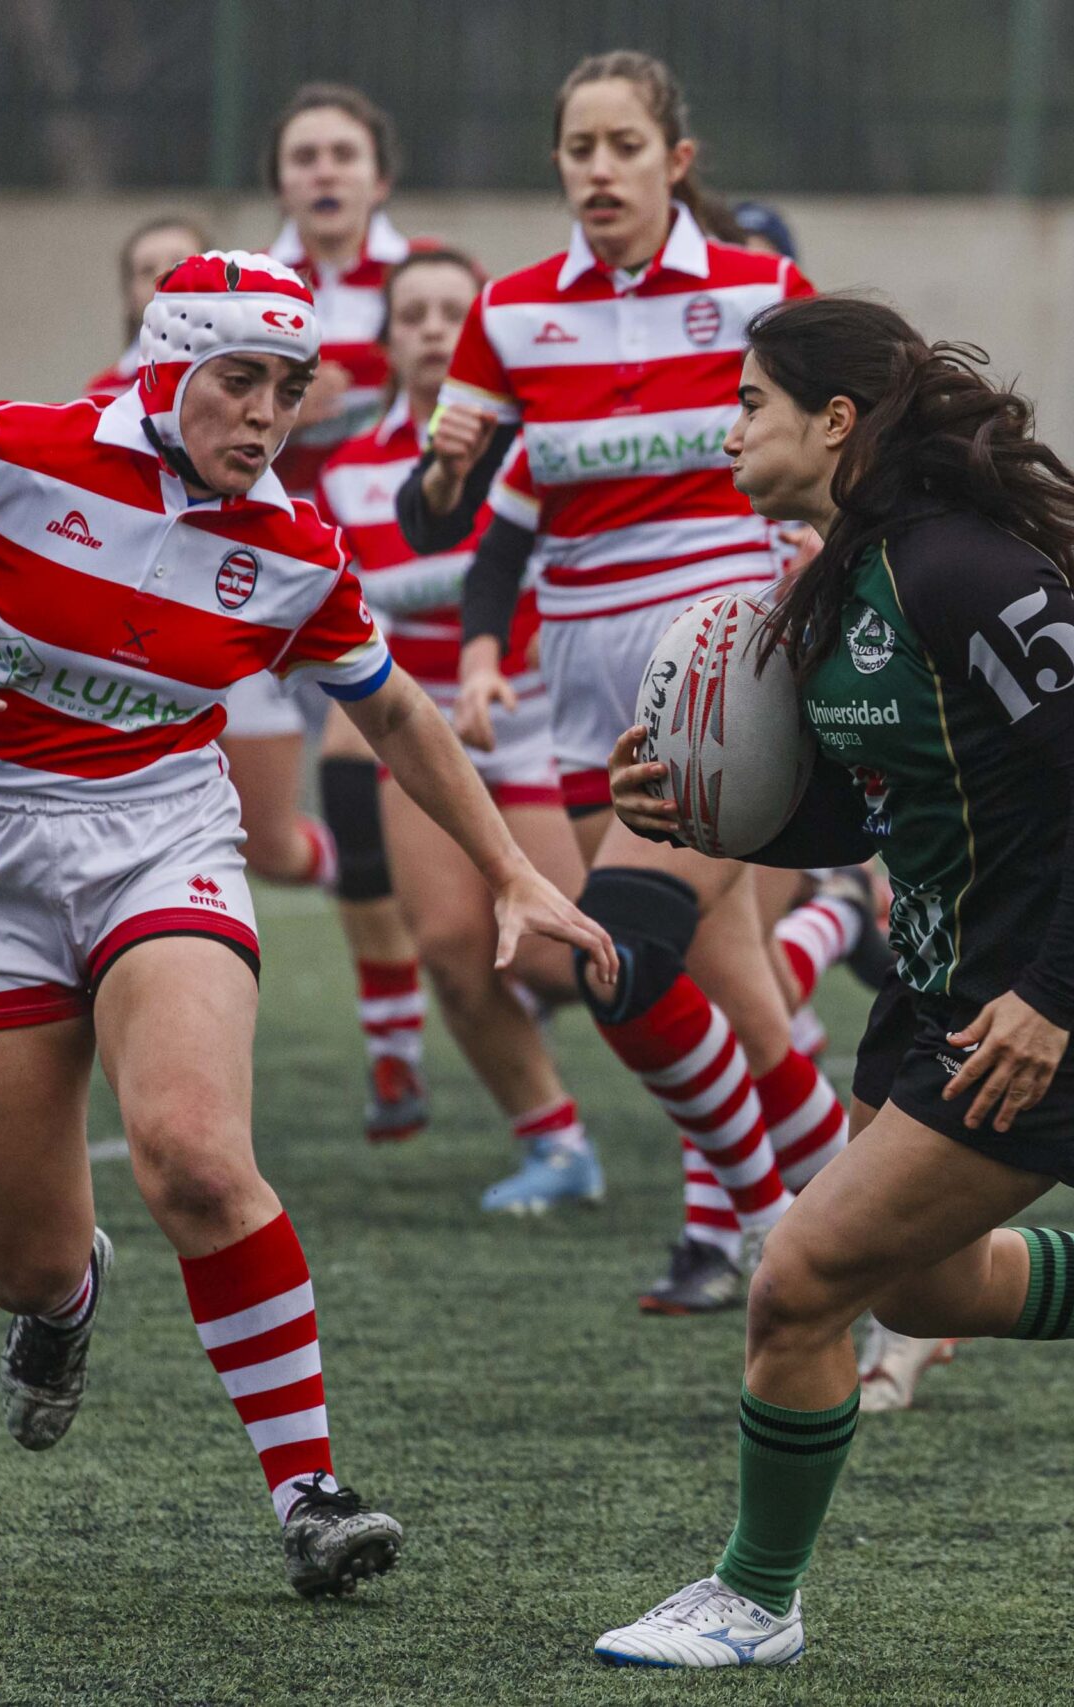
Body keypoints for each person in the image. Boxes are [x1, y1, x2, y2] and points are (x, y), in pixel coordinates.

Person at [0, 251, 612, 1596]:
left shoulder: (294, 551)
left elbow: (392, 711)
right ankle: (64, 1301)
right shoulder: (13, 447)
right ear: (166, 368)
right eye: (240, 380)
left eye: (290, 387)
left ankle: (311, 1491)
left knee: (197, 1157)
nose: (267, 413)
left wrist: (510, 866)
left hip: (161, 840)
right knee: (21, 1252)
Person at [590, 294, 1074, 1668]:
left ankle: (756, 1597)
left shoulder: (956, 568)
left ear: (833, 421)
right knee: (922, 1290)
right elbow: (879, 810)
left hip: (1067, 991)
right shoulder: (837, 576)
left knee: (797, 1280)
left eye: (754, 399)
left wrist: (1052, 998)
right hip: (942, 979)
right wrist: (708, 816)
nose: (733, 424)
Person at [401, 50, 849, 1313]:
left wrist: (829, 544)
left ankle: (769, 1227)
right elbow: (456, 528)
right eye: (578, 149)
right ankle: (879, 1257)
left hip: (734, 680)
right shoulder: (512, 312)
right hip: (589, 706)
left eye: (623, 146)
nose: (599, 170)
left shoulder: (763, 292)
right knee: (748, 1017)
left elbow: (852, 449)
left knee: (619, 958)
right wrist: (443, 469)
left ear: (676, 162)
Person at [316, 245, 601, 1206]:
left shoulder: (532, 445)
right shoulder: (352, 474)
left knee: (571, 961)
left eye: (453, 312)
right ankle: (556, 1144)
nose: (435, 328)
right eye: (414, 314)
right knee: (447, 947)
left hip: (540, 725)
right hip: (427, 736)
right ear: (389, 341)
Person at [228, 83, 433, 1142]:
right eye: (302, 155)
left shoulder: (428, 282)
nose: (322, 172)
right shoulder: (242, 286)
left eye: (341, 154)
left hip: (384, 589)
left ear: (377, 177)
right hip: (241, 584)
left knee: (360, 808)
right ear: (280, 180)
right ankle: (405, 908)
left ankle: (394, 1048)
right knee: (268, 843)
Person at [84, 215, 210, 403]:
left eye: (181, 263)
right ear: (129, 297)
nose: (163, 277)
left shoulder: (248, 373)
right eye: (146, 270)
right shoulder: (106, 392)